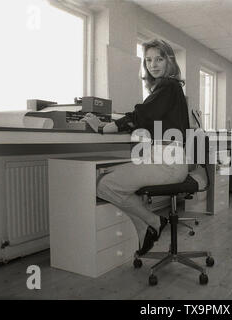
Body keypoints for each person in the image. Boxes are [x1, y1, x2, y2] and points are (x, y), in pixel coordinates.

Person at [81, 39, 192, 256]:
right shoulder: (171, 89)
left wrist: (103, 128)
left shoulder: (168, 85)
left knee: (105, 185)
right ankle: (146, 227)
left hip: (167, 164)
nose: (153, 64)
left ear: (170, 61)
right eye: (149, 60)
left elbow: (141, 114)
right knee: (112, 177)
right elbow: (146, 118)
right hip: (168, 161)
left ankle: (153, 221)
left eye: (159, 59)